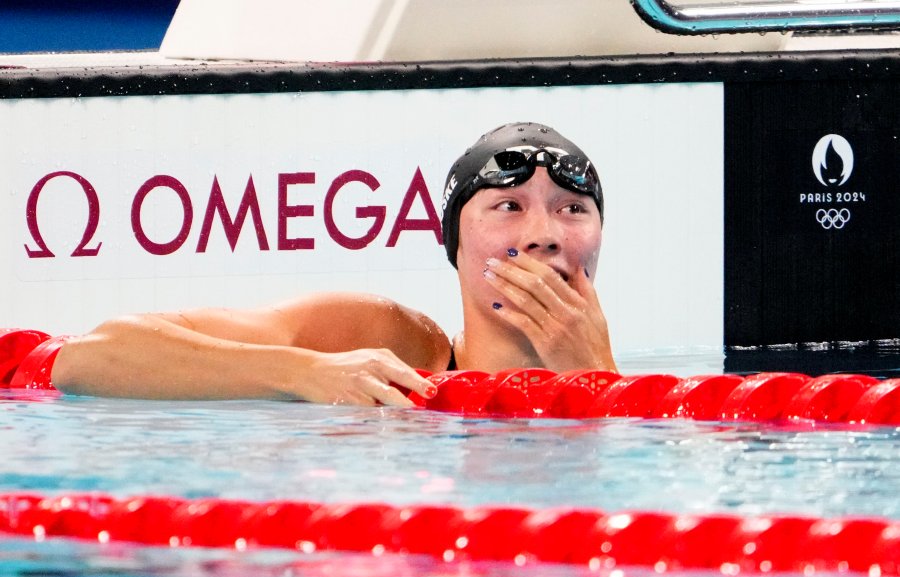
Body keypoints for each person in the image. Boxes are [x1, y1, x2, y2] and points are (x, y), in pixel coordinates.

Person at [51, 122, 617, 406]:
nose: (543, 236)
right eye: (507, 206)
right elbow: (91, 359)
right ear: (455, 240)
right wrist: (304, 372)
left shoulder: (648, 398)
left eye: (572, 209)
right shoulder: (389, 344)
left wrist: (598, 379)